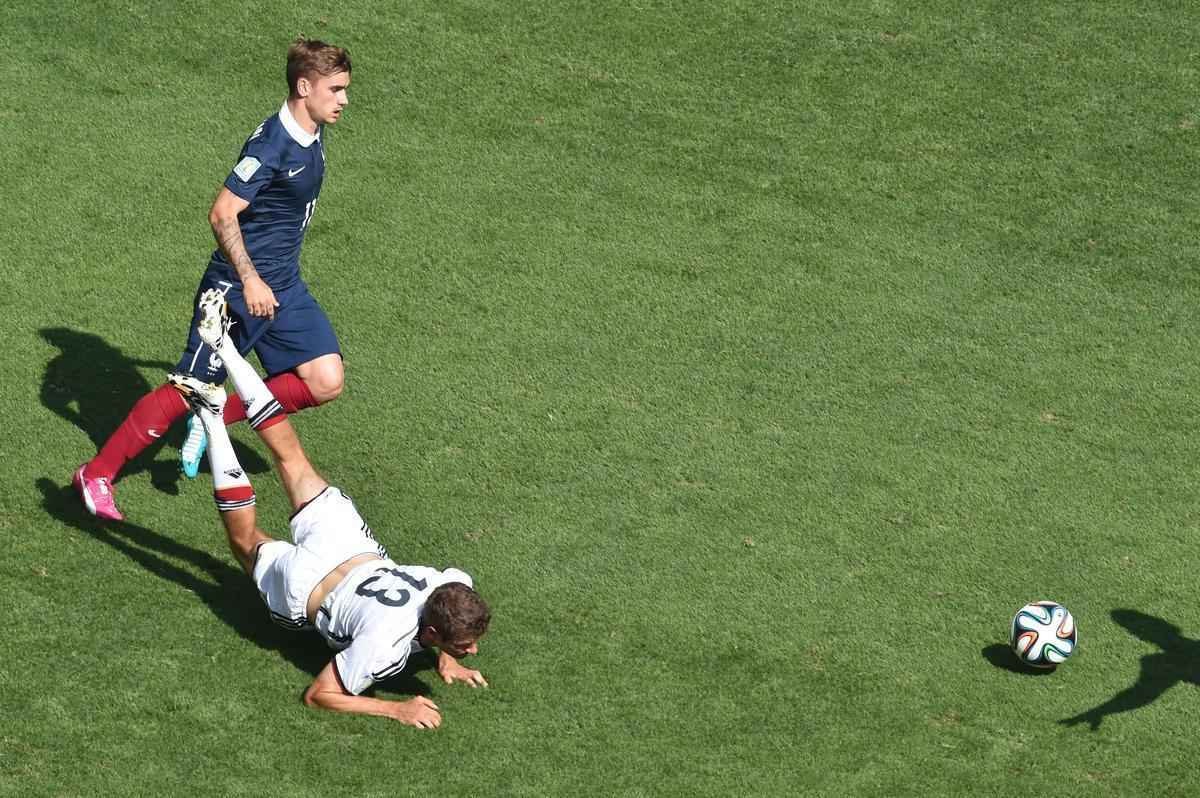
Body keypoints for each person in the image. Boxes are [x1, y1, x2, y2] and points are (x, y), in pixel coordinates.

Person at [184, 288, 491, 728]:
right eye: (463, 644)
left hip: (346, 542)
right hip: (305, 591)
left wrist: (447, 658)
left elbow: (442, 615)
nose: (474, 650)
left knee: (292, 458)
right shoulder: (383, 646)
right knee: (244, 539)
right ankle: (213, 418)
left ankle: (225, 347)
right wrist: (395, 708)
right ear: (433, 633)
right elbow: (320, 694)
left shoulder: (450, 582)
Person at [74, 38, 353, 521]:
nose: (344, 100)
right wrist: (249, 280)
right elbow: (222, 213)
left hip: (284, 282)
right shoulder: (272, 146)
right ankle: (96, 474)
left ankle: (215, 417)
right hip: (236, 289)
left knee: (325, 380)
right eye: (336, 90)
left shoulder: (311, 127)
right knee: (187, 388)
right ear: (304, 88)